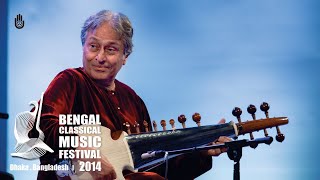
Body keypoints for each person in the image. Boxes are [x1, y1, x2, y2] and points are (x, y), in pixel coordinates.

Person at [37, 10, 231, 180]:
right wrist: (79, 148)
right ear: (83, 47)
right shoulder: (70, 81)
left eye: (110, 49)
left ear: (125, 57)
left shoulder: (132, 100)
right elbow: (40, 126)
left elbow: (154, 164)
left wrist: (200, 153)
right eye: (93, 46)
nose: (100, 57)